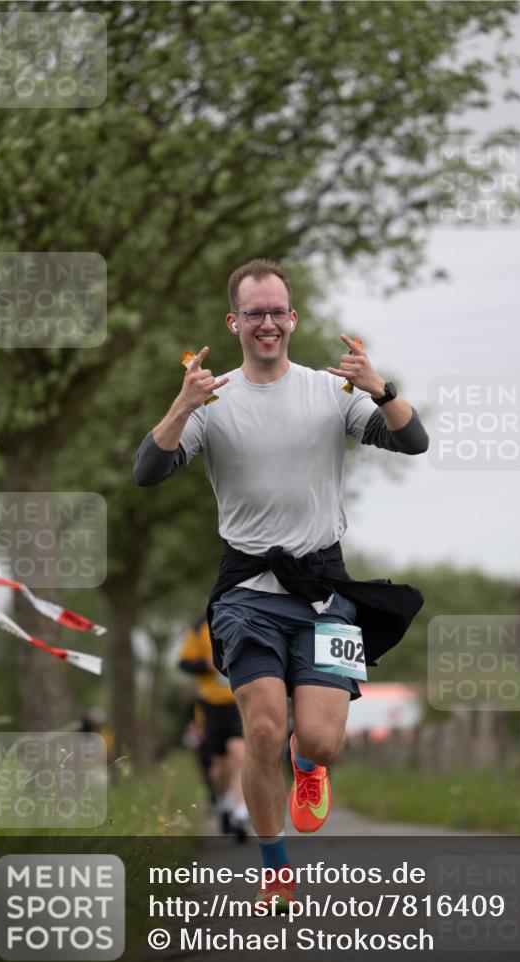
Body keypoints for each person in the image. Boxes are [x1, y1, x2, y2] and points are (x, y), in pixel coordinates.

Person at [134, 258, 428, 911]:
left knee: (321, 739)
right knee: (262, 730)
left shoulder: (331, 392)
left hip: (325, 589)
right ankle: (274, 870)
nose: (266, 323)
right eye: (254, 313)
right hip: (246, 592)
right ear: (233, 322)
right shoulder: (212, 402)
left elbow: (413, 442)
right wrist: (181, 405)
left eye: (276, 312)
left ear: (292, 319)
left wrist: (380, 389)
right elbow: (146, 471)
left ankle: (308, 760)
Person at [177, 614, 250, 841]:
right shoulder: (200, 626)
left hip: (238, 701)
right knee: (219, 768)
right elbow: (183, 663)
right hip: (209, 705)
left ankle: (240, 811)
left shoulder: (247, 616)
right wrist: (207, 665)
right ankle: (223, 801)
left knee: (239, 755)